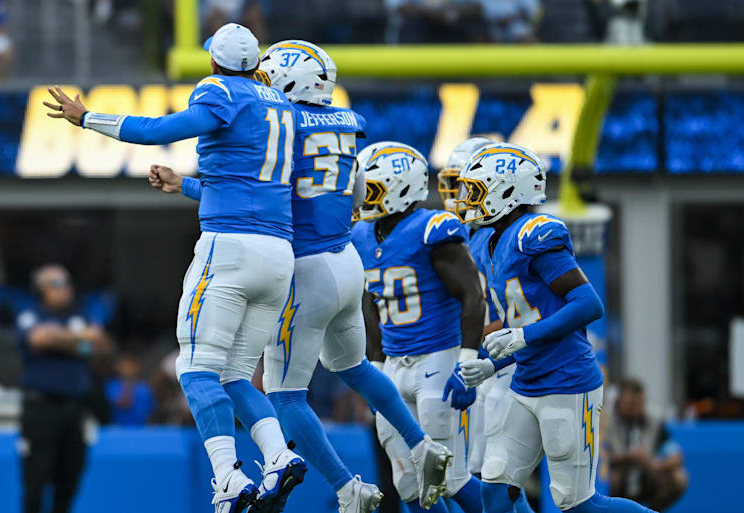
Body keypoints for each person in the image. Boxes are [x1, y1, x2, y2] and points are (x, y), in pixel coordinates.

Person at [151, 39, 454, 513]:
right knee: (354, 368)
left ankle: (346, 488)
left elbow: (257, 194)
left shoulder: (281, 123)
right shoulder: (346, 124)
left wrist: (186, 185)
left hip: (305, 268)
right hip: (346, 261)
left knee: (286, 395)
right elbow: (356, 195)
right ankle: (422, 445)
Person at [43, 23, 306, 513]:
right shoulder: (284, 107)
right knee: (234, 375)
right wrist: (184, 185)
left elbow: (158, 130)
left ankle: (228, 477)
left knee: (193, 365)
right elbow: (247, 187)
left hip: (229, 250)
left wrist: (86, 118)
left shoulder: (218, 88)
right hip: (278, 252)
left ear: (214, 62)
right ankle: (277, 457)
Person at [452, 142, 655, 513]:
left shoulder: (536, 236)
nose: (468, 200)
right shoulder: (486, 241)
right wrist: (491, 365)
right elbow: (521, 324)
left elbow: (588, 305)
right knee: (495, 490)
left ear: (508, 192)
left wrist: (521, 337)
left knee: (578, 505)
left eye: (477, 190)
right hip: (524, 382)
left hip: (567, 382)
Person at [352, 142, 487, 513]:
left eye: (371, 189)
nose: (363, 197)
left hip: (438, 358)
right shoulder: (362, 235)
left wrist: (467, 360)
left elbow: (472, 295)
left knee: (450, 477)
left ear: (400, 187)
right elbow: (372, 303)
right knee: (408, 482)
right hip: (394, 363)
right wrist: (375, 363)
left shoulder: (431, 228)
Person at [440, 136, 543, 513]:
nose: (459, 195)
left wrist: (474, 344)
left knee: (490, 481)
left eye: (467, 186)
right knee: (479, 480)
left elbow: (514, 311)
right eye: (453, 185)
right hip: (478, 365)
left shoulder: (499, 237)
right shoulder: (461, 236)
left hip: (501, 365)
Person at [16, 264, 111, 513]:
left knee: (70, 476)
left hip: (75, 408)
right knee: (36, 478)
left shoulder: (80, 315)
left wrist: (62, 341)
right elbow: (39, 338)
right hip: (42, 408)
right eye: (57, 284)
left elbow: (101, 345)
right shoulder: (31, 314)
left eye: (67, 283)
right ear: (41, 290)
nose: (65, 289)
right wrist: (80, 339)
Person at [604, 378, 687, 511]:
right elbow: (599, 459)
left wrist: (656, 465)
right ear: (619, 401)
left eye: (640, 403)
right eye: (631, 404)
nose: (636, 409)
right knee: (609, 478)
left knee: (678, 478)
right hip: (616, 476)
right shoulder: (604, 420)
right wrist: (630, 457)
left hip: (645, 475)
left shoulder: (653, 419)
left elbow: (675, 454)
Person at [105, 353, 155, 426]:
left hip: (141, 429)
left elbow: (150, 413)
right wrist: (129, 383)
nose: (128, 368)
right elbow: (122, 403)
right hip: (118, 429)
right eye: (125, 365)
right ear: (118, 367)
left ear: (138, 367)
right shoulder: (112, 385)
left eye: (131, 365)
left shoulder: (146, 388)